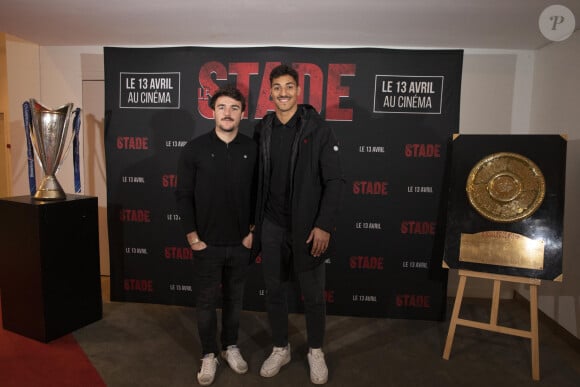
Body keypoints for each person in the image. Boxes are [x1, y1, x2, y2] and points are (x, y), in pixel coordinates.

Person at [252, 64, 345, 384]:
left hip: (308, 228)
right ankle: (281, 347)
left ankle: (315, 350)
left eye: (289, 86)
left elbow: (334, 181)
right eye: (277, 87)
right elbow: (257, 181)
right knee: (274, 291)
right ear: (270, 92)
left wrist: (324, 225)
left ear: (298, 90)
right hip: (272, 225)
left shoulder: (319, 129)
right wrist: (255, 225)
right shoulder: (262, 128)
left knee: (314, 295)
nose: (283, 93)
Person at [175, 85, 257, 386]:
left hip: (241, 245)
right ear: (212, 111)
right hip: (206, 245)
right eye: (222, 107)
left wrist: (253, 232)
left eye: (234, 108)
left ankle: (230, 346)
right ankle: (208, 354)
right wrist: (192, 236)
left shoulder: (252, 148)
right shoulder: (194, 149)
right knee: (207, 304)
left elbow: (261, 194)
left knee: (235, 302)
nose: (228, 113)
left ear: (242, 113)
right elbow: (183, 195)